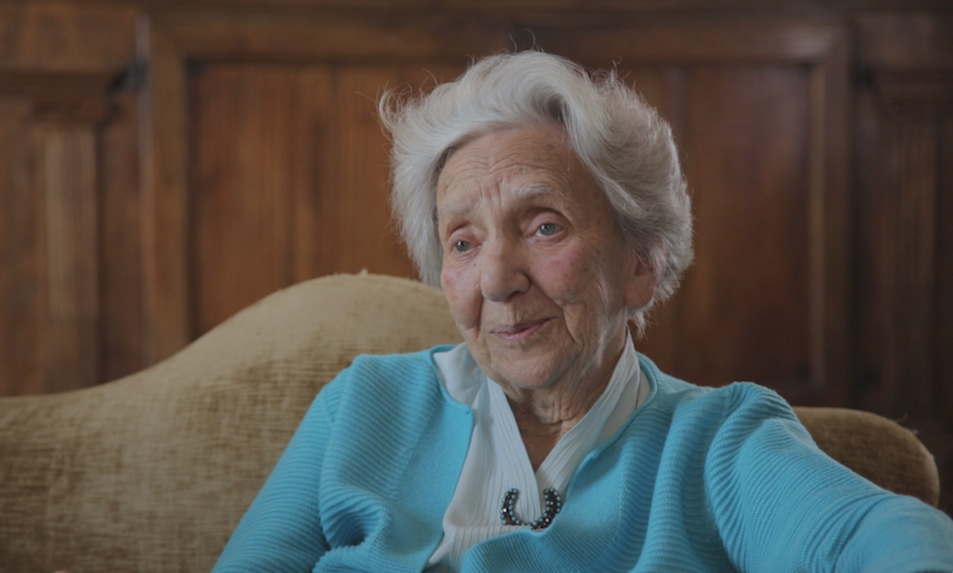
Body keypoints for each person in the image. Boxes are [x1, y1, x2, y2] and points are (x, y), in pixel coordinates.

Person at [211, 51, 953, 572]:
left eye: (544, 226)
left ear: (641, 261)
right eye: (462, 241)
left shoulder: (718, 444)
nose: (497, 279)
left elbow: (882, 536)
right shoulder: (361, 409)